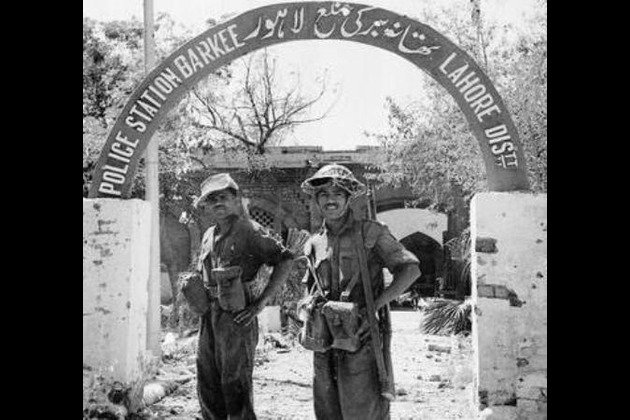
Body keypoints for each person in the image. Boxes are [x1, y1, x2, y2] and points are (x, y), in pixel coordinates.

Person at [300, 164, 421, 420]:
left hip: (362, 338)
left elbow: (410, 270)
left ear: (348, 198)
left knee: (363, 411)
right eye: (323, 194)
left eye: (337, 193)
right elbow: (309, 288)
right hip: (324, 340)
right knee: (327, 410)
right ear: (316, 199)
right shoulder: (314, 243)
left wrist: (374, 306)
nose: (330, 199)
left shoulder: (370, 232)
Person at [192, 173, 294, 420]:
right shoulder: (208, 234)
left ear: (236, 200)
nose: (218, 203)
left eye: (223, 197)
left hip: (237, 313)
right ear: (205, 205)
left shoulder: (250, 230)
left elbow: (285, 259)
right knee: (207, 377)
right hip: (209, 313)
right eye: (211, 199)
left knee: (234, 381)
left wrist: (260, 304)